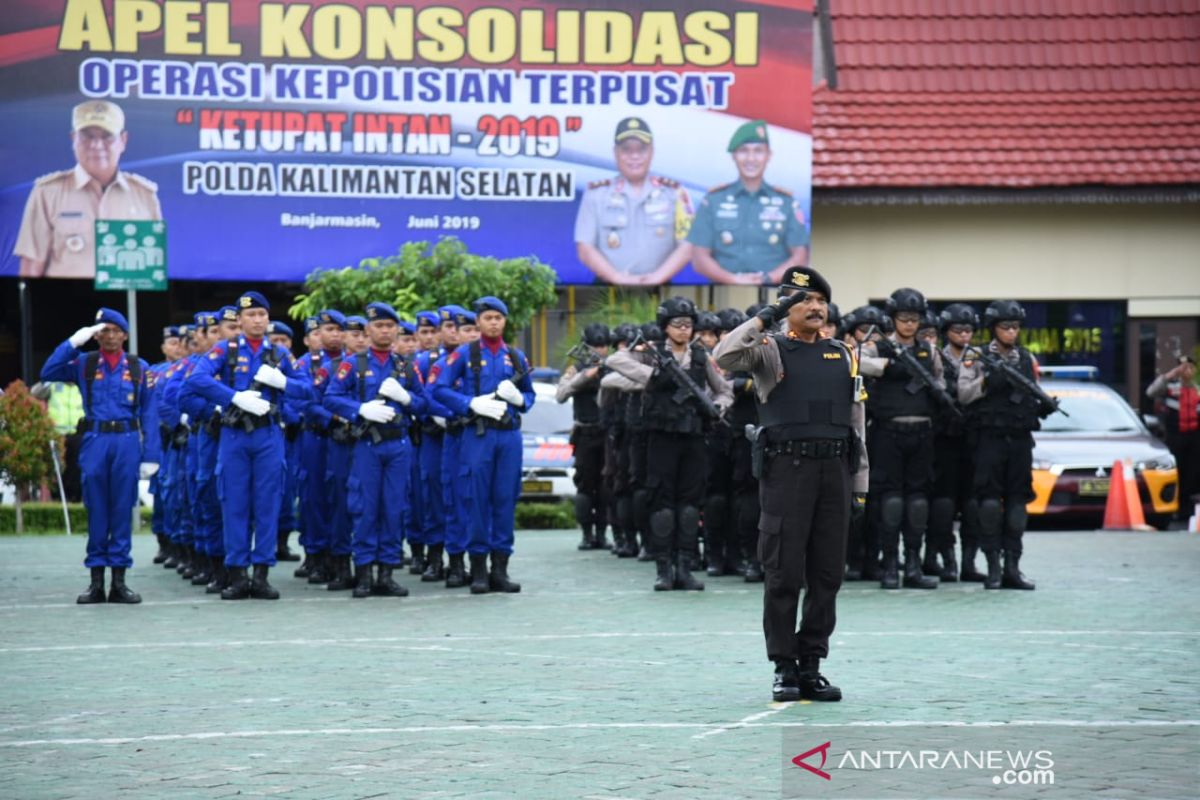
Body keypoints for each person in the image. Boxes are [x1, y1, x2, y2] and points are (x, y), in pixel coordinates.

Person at [714, 267, 868, 703]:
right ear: (786, 308)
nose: (816, 307)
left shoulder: (843, 354)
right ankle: (783, 666)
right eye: (805, 301)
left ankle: (811, 664)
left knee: (827, 575)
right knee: (783, 572)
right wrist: (767, 315)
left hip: (835, 471)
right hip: (788, 472)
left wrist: (860, 484)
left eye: (821, 300)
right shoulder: (769, 351)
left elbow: (857, 423)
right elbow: (725, 355)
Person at [187, 291, 313, 600]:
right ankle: (238, 574)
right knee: (235, 503)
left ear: (268, 319)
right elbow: (197, 380)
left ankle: (262, 575)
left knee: (267, 504)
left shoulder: (280, 354)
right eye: (251, 315)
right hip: (234, 435)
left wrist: (283, 383)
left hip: (268, 434)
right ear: (240, 320)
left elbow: (308, 391)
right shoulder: (224, 349)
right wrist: (232, 397)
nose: (257, 320)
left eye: (262, 315)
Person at [606, 296, 733, 592]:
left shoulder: (701, 357)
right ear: (665, 327)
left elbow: (724, 390)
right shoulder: (652, 355)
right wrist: (652, 376)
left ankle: (685, 567)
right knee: (661, 505)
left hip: (693, 438)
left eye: (688, 325)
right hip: (659, 439)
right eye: (677, 325)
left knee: (689, 507)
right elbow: (614, 359)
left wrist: (718, 406)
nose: (683, 330)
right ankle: (664, 568)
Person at [40, 308, 159, 604]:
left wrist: (152, 454)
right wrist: (72, 342)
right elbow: (48, 372)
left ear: (125, 335)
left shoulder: (139, 367)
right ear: (95, 335)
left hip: (127, 440)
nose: (109, 336)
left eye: (115, 330)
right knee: (97, 509)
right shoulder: (84, 363)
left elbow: (150, 411)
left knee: (121, 508)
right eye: (103, 331)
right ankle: (96, 582)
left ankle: (119, 582)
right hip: (95, 439)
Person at [323, 302, 429, 598]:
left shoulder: (406, 365)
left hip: (398, 444)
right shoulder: (354, 364)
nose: (384, 330)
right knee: (365, 507)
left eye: (389, 326)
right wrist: (360, 409)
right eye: (379, 326)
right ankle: (365, 573)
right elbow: (331, 398)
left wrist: (406, 397)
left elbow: (424, 405)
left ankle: (387, 573)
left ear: (396, 330)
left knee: (394, 508)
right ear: (368, 330)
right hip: (368, 443)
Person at [432, 296, 535, 595]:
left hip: (508, 435)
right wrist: (470, 403)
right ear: (478, 322)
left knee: (505, 500)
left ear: (505, 321)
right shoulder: (463, 355)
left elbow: (529, 396)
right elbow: (438, 389)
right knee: (475, 500)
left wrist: (519, 400)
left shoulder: (515, 357)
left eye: (498, 318)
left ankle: (499, 570)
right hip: (477, 434)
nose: (493, 322)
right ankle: (478, 569)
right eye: (487, 317)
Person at [957, 300, 1050, 591]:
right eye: (1005, 327)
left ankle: (1013, 566)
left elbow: (1035, 391)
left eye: (1015, 327)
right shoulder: (977, 356)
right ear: (993, 329)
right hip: (989, 439)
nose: (1011, 332)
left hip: (1019, 438)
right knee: (987, 502)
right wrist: (987, 382)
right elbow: (963, 394)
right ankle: (993, 567)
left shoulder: (1025, 357)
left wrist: (1043, 405)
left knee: (1018, 502)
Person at [857, 288, 944, 590]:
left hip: (921, 431)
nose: (909, 324)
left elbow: (940, 383)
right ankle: (890, 565)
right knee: (890, 501)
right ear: (893, 319)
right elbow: (856, 363)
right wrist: (888, 367)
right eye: (903, 319)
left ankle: (914, 566)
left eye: (914, 319)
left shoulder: (929, 351)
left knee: (918, 501)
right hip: (888, 431)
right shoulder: (878, 347)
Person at [16, 100, 162, 278]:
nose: (96, 145)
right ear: (73, 139)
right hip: (62, 300)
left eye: (107, 136)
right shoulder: (47, 193)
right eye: (87, 136)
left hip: (125, 303)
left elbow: (153, 268)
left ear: (123, 140)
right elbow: (31, 267)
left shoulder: (144, 195)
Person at [687, 120, 809, 285]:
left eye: (758, 151)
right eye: (743, 151)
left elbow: (800, 256)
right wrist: (734, 279)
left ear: (768, 156)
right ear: (734, 156)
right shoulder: (713, 201)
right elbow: (699, 258)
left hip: (775, 294)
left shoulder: (787, 203)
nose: (751, 158)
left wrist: (768, 279)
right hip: (725, 291)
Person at [575, 117, 694, 286]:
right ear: (615, 153)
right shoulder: (596, 194)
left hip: (660, 288)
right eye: (626, 150)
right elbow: (585, 249)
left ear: (652, 152)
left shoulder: (676, 193)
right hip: (607, 290)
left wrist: (657, 278)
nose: (634, 156)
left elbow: (688, 246)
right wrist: (618, 278)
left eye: (642, 149)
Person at [930, 303, 986, 581]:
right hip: (943, 439)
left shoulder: (981, 358)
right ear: (946, 331)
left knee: (973, 504)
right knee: (943, 505)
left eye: (968, 330)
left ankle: (969, 563)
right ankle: (948, 560)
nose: (964, 335)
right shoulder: (934, 357)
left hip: (975, 437)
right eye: (957, 330)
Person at [557, 323, 612, 550]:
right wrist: (585, 377)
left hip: (608, 433)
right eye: (595, 346)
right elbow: (561, 394)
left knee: (606, 486)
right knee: (585, 486)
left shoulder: (613, 367)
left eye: (603, 346)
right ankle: (587, 535)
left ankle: (602, 533)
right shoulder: (576, 368)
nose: (600, 350)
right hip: (585, 433)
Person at [1146, 355, 1199, 520]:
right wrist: (1169, 375)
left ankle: (1187, 508)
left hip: (1196, 437)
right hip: (1175, 435)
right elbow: (1151, 392)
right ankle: (1175, 507)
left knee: (1193, 472)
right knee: (1177, 471)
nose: (1186, 371)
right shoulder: (1170, 385)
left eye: (1189, 367)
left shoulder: (1198, 387)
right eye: (1182, 367)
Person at [268, 320, 303, 563]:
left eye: (284, 341)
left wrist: (292, 416)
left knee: (288, 489)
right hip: (267, 432)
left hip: (293, 435)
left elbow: (304, 396)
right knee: (267, 491)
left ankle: (282, 542)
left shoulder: (294, 367)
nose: (280, 345)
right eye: (275, 341)